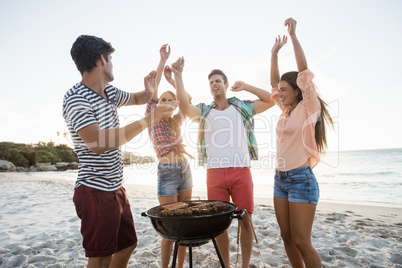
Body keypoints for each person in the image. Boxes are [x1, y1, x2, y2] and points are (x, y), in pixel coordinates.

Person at [63, 35, 175, 268]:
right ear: (102, 59)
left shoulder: (110, 93)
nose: (113, 64)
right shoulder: (76, 98)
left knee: (127, 245)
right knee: (101, 257)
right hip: (94, 189)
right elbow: (97, 142)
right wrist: (150, 119)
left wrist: (154, 77)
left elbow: (140, 97)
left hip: (116, 187)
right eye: (111, 58)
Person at [170, 57, 275, 268]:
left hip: (241, 172)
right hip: (215, 174)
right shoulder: (204, 111)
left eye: (218, 81)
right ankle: (226, 266)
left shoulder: (241, 107)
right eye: (211, 82)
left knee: (246, 221)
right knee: (220, 225)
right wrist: (178, 76)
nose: (214, 84)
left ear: (226, 85)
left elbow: (271, 100)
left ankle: (244, 266)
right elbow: (184, 105)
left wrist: (246, 86)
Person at [270, 18, 334, 267]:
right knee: (286, 237)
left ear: (298, 90)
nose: (280, 92)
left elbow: (303, 70)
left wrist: (293, 36)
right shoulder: (284, 112)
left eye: (285, 89)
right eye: (280, 90)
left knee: (302, 241)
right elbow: (274, 82)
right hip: (280, 179)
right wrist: (274, 53)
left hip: (301, 180)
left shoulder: (308, 108)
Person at [145, 44, 193, 268]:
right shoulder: (152, 117)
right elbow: (152, 93)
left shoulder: (177, 120)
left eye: (168, 100)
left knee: (183, 224)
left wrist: (174, 81)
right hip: (167, 174)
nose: (163, 102)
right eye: (161, 100)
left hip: (185, 170)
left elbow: (187, 99)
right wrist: (163, 60)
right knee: (169, 226)